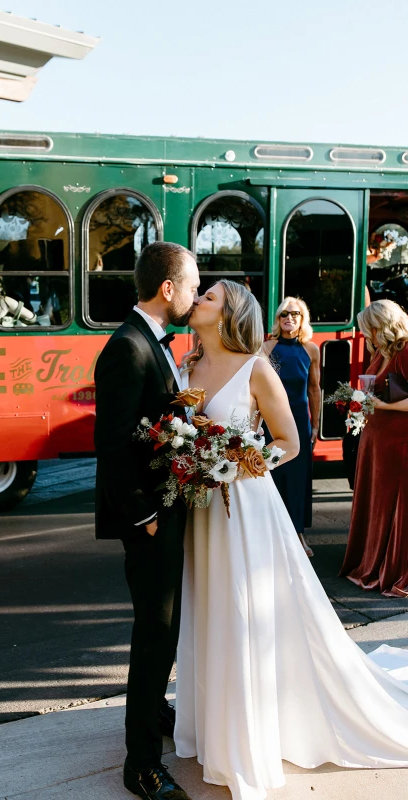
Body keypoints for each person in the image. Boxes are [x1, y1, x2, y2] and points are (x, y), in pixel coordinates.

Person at [174, 280, 408, 800]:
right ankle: (211, 725)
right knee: (209, 606)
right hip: (200, 510)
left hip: (246, 507)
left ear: (230, 312)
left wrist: (240, 464)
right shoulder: (185, 367)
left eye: (207, 297)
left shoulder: (257, 367)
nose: (197, 302)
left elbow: (290, 442)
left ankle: (247, 734)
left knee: (241, 608)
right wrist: (193, 464)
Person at [94, 241, 200, 800]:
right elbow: (110, 445)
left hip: (167, 509)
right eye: (191, 284)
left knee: (166, 629)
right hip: (150, 518)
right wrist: (143, 517)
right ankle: (141, 766)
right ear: (168, 289)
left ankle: (155, 710)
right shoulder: (127, 348)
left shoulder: (153, 344)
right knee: (154, 634)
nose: (194, 294)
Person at [340, 299, 408, 597]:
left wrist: (378, 403)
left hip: (397, 444)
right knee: (375, 503)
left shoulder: (405, 351)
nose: (366, 334)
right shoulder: (382, 352)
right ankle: (372, 559)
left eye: (370, 328)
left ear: (384, 325)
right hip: (376, 442)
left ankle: (388, 566)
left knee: (390, 506)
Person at [263, 297, 320, 557]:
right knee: (273, 476)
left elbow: (314, 389)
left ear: (302, 318)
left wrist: (316, 424)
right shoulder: (266, 347)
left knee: (298, 479)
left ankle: (298, 534)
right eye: (284, 313)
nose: (289, 318)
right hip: (271, 421)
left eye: (295, 313)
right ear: (278, 318)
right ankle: (271, 533)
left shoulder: (311, 350)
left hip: (299, 420)